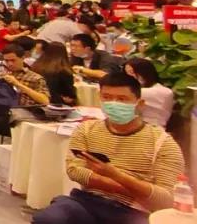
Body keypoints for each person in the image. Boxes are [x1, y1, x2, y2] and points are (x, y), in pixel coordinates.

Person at [32, 72, 185, 224]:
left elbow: (165, 199)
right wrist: (135, 187)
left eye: (122, 99)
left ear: (139, 103)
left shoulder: (162, 143)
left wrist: (116, 175)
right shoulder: (87, 129)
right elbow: (75, 171)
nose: (114, 104)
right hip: (86, 201)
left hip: (135, 211)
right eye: (107, 97)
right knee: (50, 218)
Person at [125, 59, 174, 128]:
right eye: (126, 73)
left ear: (145, 73)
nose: (128, 77)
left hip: (153, 130)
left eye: (132, 72)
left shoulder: (161, 91)